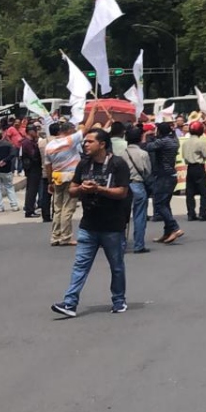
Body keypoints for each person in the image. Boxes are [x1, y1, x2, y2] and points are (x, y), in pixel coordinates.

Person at [51, 128, 132, 317]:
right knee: (80, 265)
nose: (85, 144)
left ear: (102, 144)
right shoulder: (84, 165)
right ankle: (70, 303)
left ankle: (119, 301)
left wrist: (99, 189)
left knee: (116, 266)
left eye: (89, 141)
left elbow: (122, 192)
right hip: (89, 224)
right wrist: (82, 188)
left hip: (112, 225)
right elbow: (71, 189)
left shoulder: (118, 164)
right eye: (85, 142)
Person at [45, 120, 88, 246]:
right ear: (68, 130)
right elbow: (87, 128)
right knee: (68, 208)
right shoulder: (70, 140)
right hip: (71, 177)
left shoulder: (49, 145)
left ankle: (55, 236)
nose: (75, 131)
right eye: (73, 129)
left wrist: (50, 182)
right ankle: (66, 236)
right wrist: (93, 112)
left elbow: (48, 166)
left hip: (57, 177)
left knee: (57, 208)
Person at [143, 122, 184, 244]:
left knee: (159, 204)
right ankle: (168, 232)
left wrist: (146, 136)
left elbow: (148, 147)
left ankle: (175, 228)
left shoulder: (163, 142)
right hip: (171, 174)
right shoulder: (174, 141)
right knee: (166, 204)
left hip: (163, 176)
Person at [116, 127, 152, 254]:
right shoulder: (144, 154)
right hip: (138, 184)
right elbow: (148, 172)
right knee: (140, 216)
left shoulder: (121, 155)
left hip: (124, 186)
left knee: (122, 217)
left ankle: (121, 244)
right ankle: (139, 244)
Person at [181, 121, 206, 222]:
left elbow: (184, 156)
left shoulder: (185, 143)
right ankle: (203, 214)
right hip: (199, 167)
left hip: (190, 168)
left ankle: (191, 214)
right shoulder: (201, 142)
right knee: (204, 192)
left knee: (190, 192)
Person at [20, 124, 44, 218]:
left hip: (35, 168)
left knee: (33, 190)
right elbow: (33, 155)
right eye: (35, 131)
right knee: (32, 190)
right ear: (30, 131)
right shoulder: (27, 143)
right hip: (32, 169)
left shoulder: (31, 142)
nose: (36, 133)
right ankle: (29, 210)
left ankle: (30, 209)